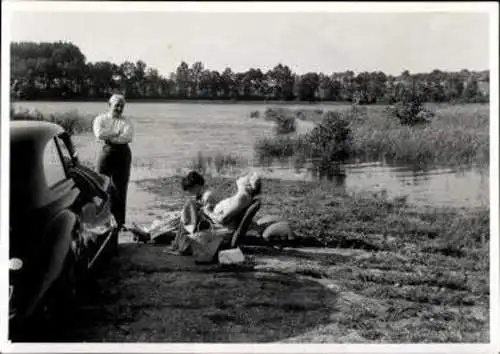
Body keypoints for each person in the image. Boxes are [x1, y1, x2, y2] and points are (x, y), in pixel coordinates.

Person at [93, 93, 134, 231]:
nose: (119, 108)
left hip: (123, 153)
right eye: (117, 105)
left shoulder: (126, 121)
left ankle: (119, 223)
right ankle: (99, 220)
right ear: (109, 105)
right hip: (106, 152)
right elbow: (99, 134)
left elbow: (128, 137)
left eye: (122, 106)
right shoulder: (100, 119)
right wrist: (116, 133)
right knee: (99, 185)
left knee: (120, 188)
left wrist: (110, 136)